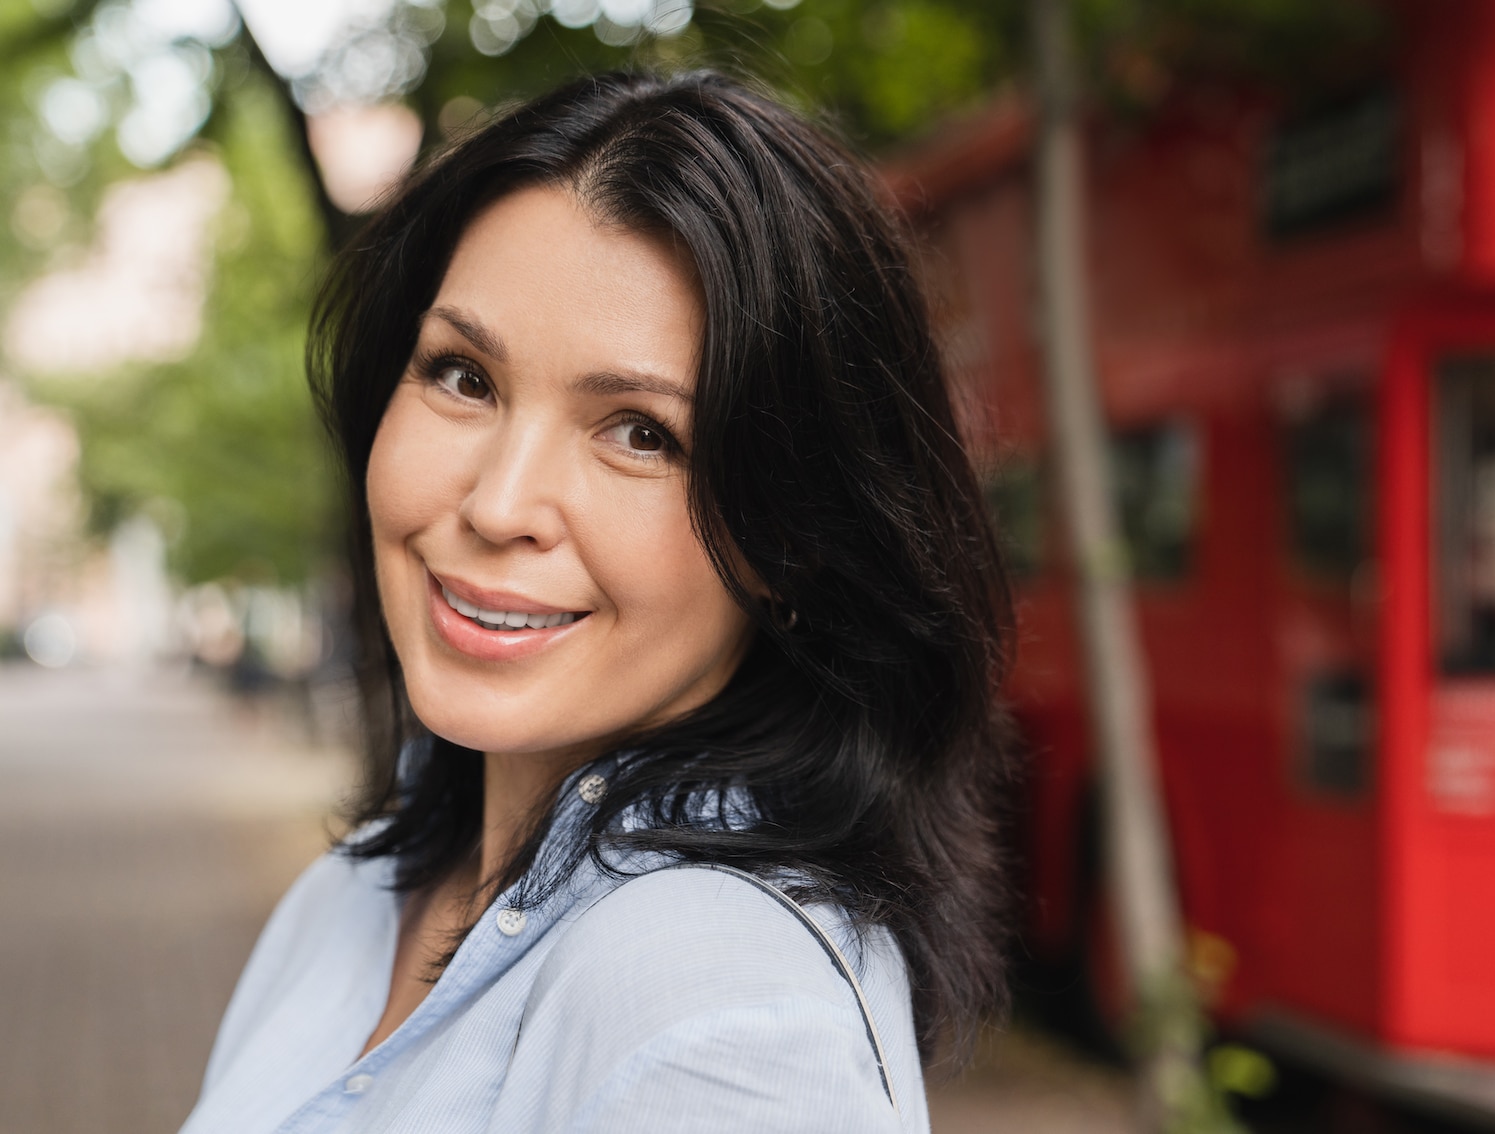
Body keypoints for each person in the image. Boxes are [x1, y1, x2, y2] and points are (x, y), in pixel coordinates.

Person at [179, 70, 1015, 1133]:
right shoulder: (359, 895)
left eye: (639, 433)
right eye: (462, 376)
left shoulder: (722, 1029)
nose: (498, 505)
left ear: (795, 542)